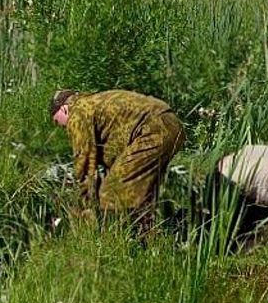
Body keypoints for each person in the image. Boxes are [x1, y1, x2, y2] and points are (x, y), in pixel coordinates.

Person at [49, 89, 185, 226]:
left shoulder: (78, 111)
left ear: (64, 109)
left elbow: (84, 162)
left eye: (57, 120)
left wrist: (83, 202)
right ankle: (153, 238)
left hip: (153, 129)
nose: (61, 126)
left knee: (111, 191)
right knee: (139, 193)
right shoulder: (95, 103)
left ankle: (109, 234)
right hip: (168, 124)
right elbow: (114, 153)